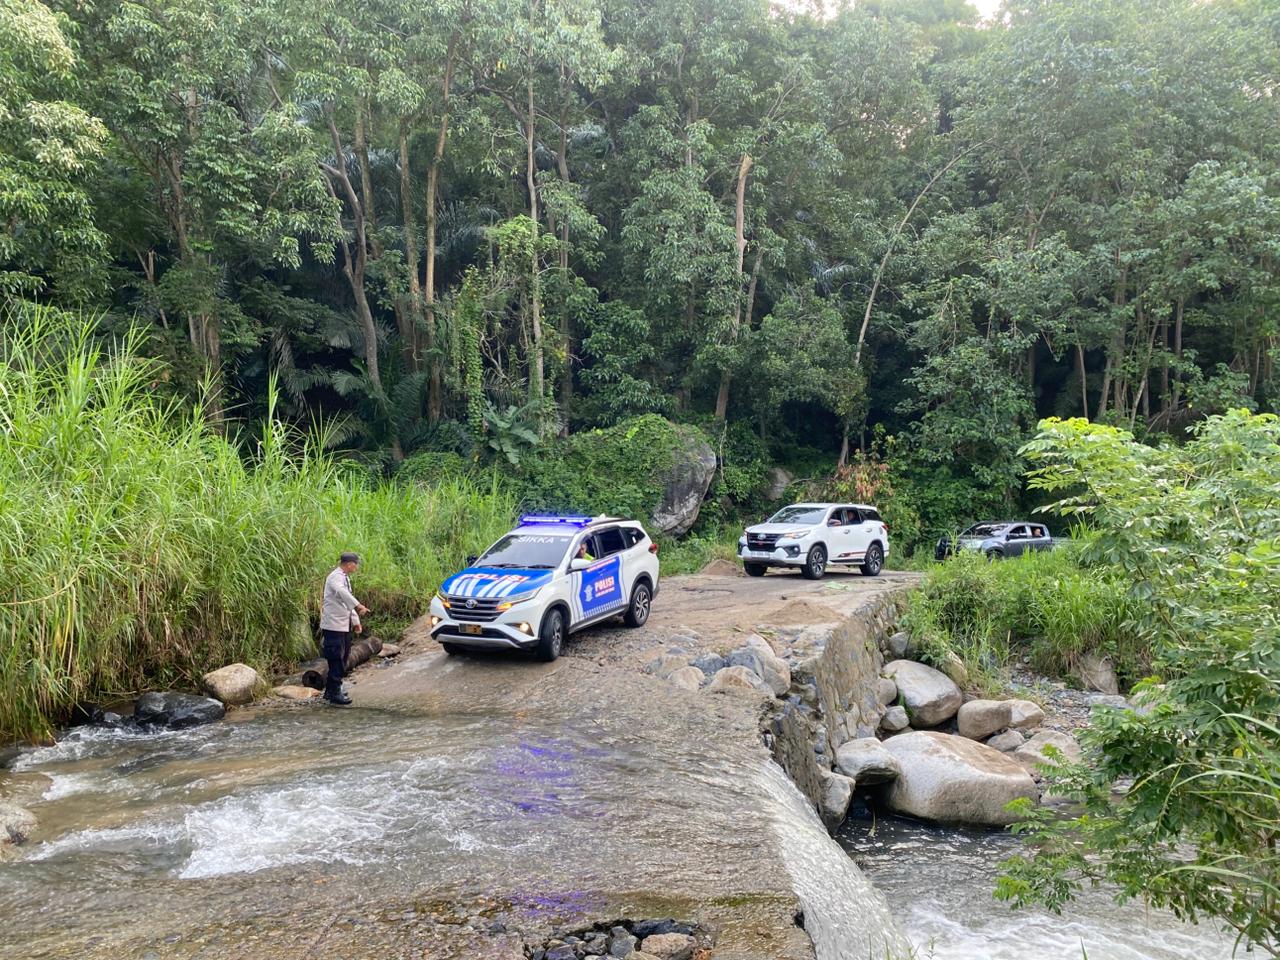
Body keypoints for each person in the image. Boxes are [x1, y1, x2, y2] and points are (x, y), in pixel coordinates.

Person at [320, 552, 369, 706]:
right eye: (356, 564)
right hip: (333, 626)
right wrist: (358, 605)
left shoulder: (344, 577)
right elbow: (343, 593)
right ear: (349, 564)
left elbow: (345, 602)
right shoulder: (335, 577)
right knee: (336, 657)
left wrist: (356, 622)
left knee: (344, 656)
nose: (357, 567)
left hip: (343, 624)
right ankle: (334, 692)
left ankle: (332, 688)